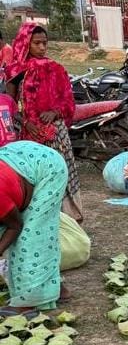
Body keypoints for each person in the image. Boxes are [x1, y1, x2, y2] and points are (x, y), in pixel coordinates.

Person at [7, 23, 81, 222]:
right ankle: (36, 219)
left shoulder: (55, 69)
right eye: (36, 43)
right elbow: (10, 106)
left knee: (60, 170)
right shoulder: (15, 72)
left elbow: (68, 101)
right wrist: (25, 123)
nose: (42, 47)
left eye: (44, 43)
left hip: (55, 132)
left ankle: (67, 218)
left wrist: (54, 112)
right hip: (28, 135)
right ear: (25, 44)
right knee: (33, 176)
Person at [0, 140, 67, 315]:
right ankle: (55, 288)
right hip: (21, 158)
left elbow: (15, 226)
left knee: (30, 238)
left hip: (48, 169)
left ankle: (27, 302)